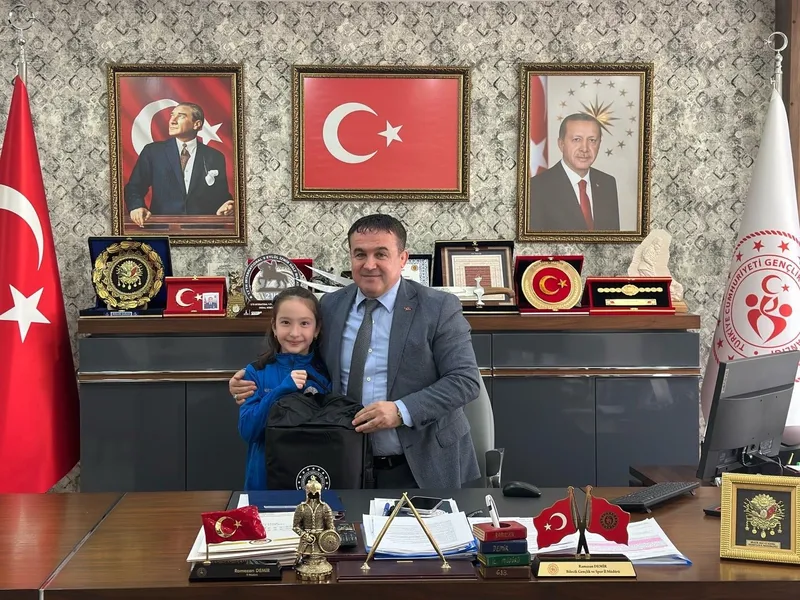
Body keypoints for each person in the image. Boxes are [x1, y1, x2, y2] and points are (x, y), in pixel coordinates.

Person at [230, 214, 481, 489]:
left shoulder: (438, 307)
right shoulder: (330, 306)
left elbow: (464, 381)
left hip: (421, 466)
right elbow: (299, 357)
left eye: (381, 254)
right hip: (342, 462)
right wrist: (253, 379)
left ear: (403, 258)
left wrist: (401, 411)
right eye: (360, 254)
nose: (369, 264)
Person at [237, 286, 331, 491]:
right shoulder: (255, 372)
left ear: (316, 329)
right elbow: (248, 431)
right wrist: (281, 390)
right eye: (286, 322)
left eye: (304, 323)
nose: (294, 333)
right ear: (274, 326)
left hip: (312, 482)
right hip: (264, 482)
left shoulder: (326, 375)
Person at [124, 102, 234, 225]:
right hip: (162, 228)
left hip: (203, 229)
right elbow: (134, 187)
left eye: (181, 116)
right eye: (172, 115)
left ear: (197, 124)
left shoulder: (215, 156)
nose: (172, 121)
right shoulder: (153, 152)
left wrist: (227, 205)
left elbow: (221, 195)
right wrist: (136, 207)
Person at [528, 113, 620, 231]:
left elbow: (613, 239)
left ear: (599, 144)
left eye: (592, 140)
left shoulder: (607, 183)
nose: (584, 149)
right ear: (561, 144)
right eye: (577, 140)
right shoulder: (536, 188)